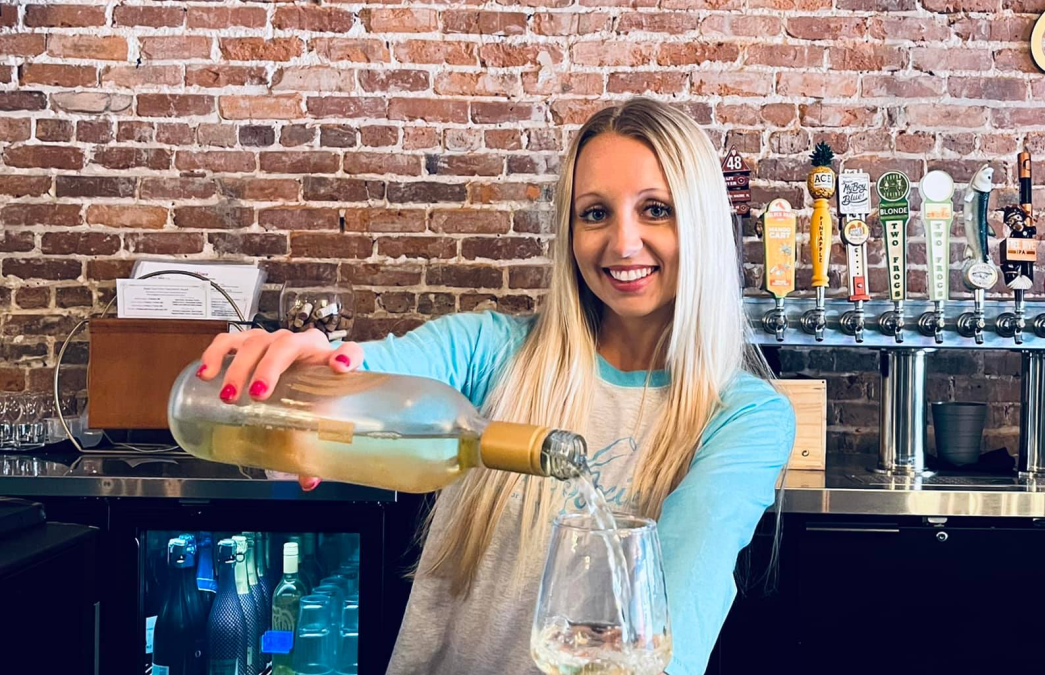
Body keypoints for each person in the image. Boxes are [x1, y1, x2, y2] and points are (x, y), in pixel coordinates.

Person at [197, 97, 796, 675]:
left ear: (701, 223)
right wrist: (311, 374)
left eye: (656, 209)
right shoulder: (488, 350)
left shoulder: (742, 418)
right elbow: (371, 375)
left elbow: (670, 625)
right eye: (595, 213)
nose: (623, 243)